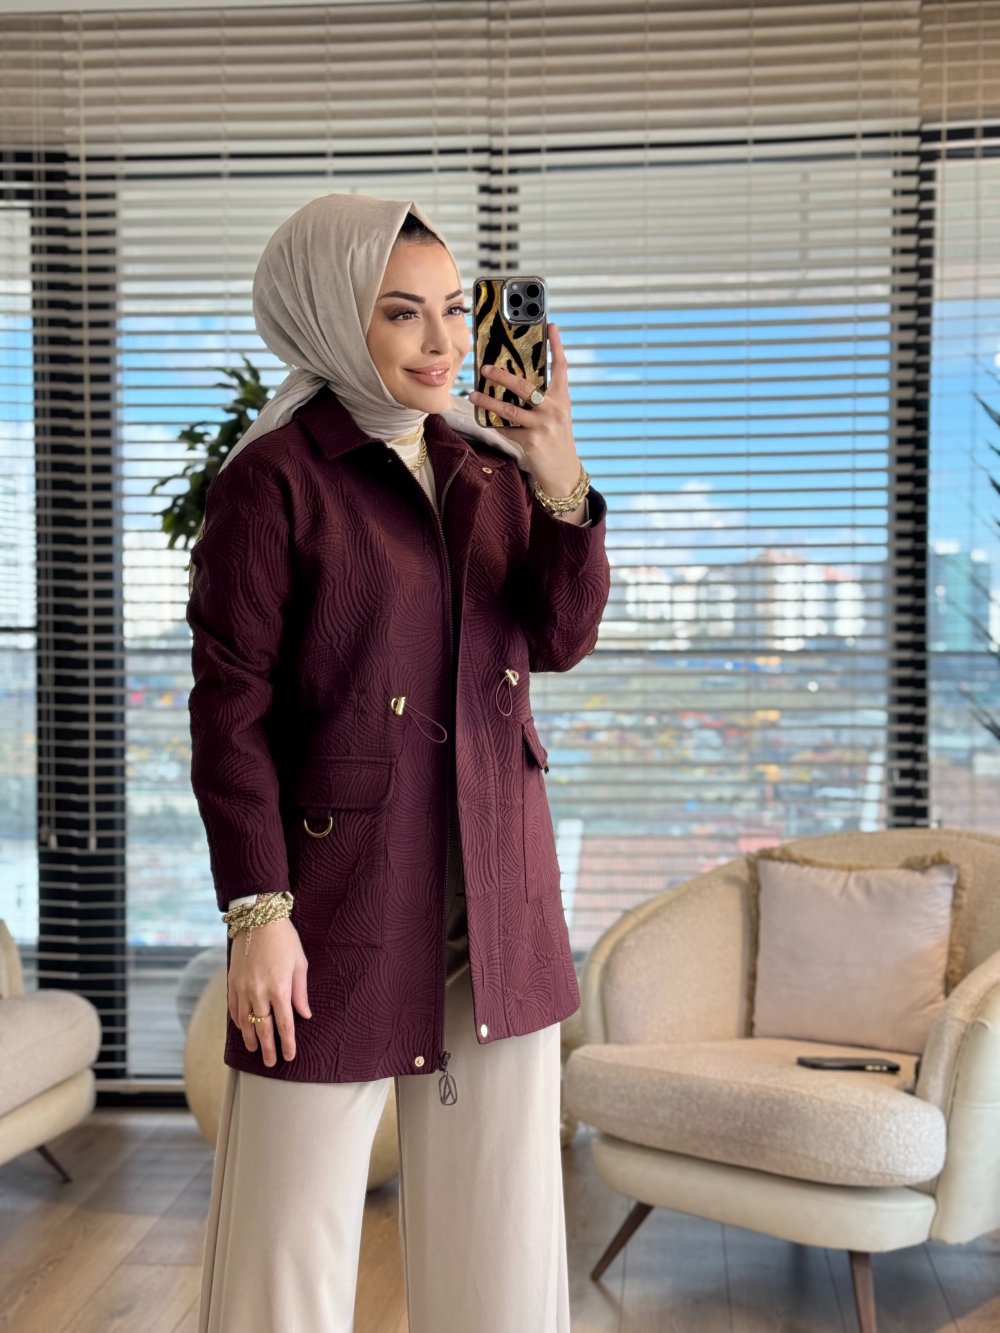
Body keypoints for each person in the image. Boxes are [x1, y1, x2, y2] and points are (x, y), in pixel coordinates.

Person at [187, 192, 611, 1333]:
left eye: (457, 310)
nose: (443, 342)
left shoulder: (489, 467)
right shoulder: (272, 480)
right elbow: (230, 710)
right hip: (338, 897)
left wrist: (556, 468)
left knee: (503, 1231)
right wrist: (258, 910)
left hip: (498, 889)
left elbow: (560, 636)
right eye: (401, 312)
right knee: (287, 1232)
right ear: (331, 314)